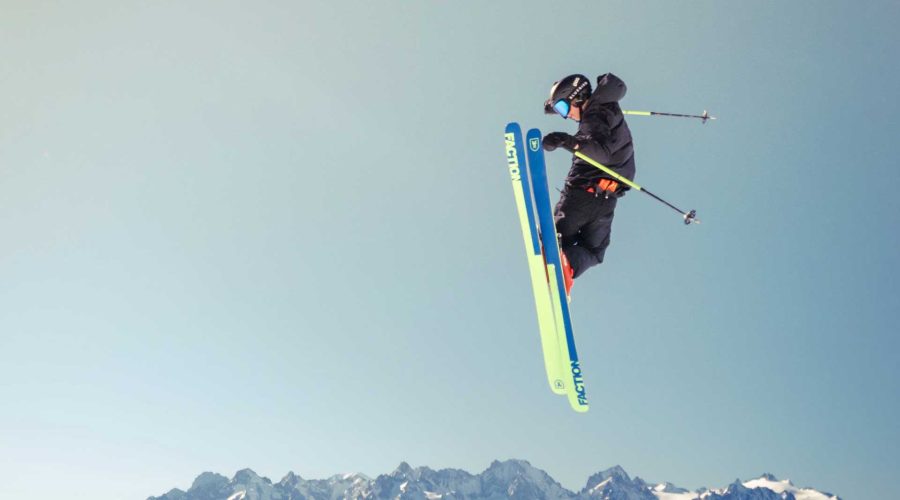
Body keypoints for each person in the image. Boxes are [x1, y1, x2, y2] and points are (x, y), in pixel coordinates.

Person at [542, 73, 635, 294]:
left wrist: (566, 140)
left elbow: (600, 152)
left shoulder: (594, 114)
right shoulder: (607, 111)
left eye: (564, 108)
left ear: (576, 98)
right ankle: (567, 265)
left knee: (558, 237)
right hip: (605, 202)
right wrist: (553, 105)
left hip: (581, 195)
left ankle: (555, 253)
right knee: (594, 252)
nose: (566, 116)